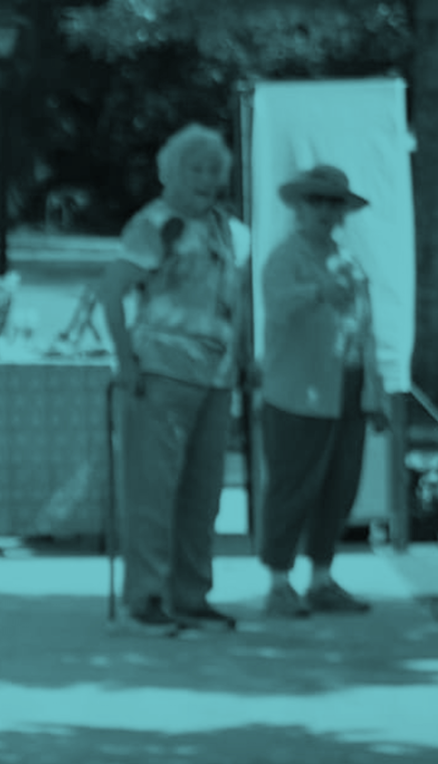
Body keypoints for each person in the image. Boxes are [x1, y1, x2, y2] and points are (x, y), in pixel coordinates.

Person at [94, 123, 254, 634]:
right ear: (171, 173)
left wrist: (246, 357)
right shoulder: (155, 224)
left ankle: (192, 595)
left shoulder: (229, 229)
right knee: (153, 492)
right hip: (159, 374)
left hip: (216, 379)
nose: (205, 179)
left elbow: (237, 302)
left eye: (213, 170)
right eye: (195, 169)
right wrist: (126, 362)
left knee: (203, 496)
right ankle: (146, 596)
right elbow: (112, 291)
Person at [258, 164, 388, 618]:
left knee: (339, 487)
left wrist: (376, 389)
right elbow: (276, 307)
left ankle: (321, 578)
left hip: (347, 387)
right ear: (298, 207)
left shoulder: (349, 261)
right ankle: (277, 582)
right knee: (292, 486)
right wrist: (317, 291)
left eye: (333, 203)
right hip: (298, 390)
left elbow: (365, 330)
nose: (325, 212)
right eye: (316, 201)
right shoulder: (284, 257)